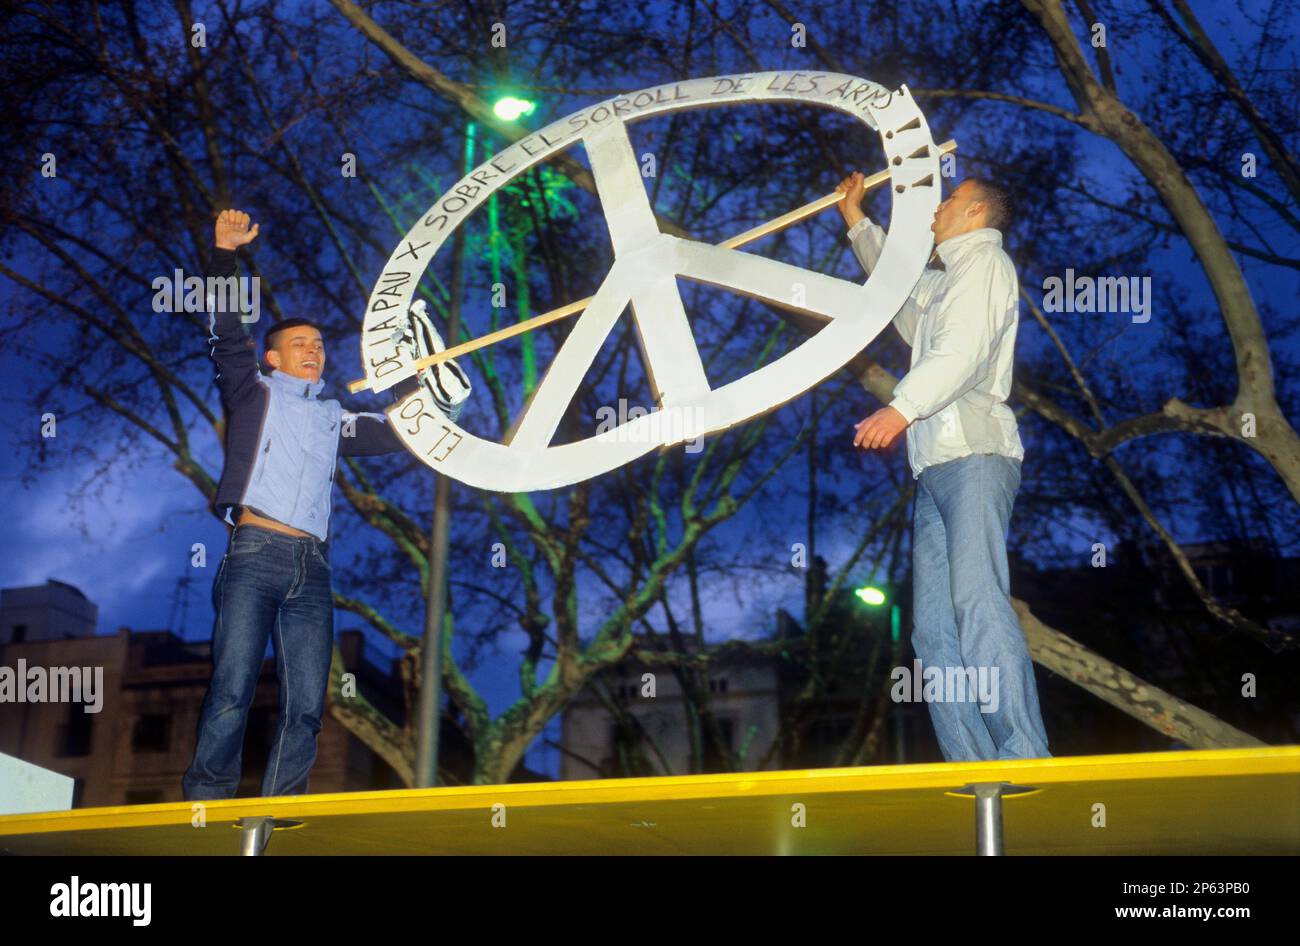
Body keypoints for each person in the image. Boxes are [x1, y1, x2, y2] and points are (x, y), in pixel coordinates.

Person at [182, 208, 469, 799]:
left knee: (309, 701)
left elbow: (400, 434)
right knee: (233, 687)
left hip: (312, 569)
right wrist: (222, 252)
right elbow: (222, 326)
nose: (313, 351)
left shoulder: (336, 415)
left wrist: (429, 383)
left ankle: (279, 804)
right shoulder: (251, 389)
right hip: (253, 555)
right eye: (299, 345)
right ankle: (206, 799)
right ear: (273, 357)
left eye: (318, 345)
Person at [838, 174, 1050, 761]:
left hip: (976, 456)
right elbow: (897, 289)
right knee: (931, 633)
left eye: (949, 200)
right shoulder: (946, 281)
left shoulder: (984, 267)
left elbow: (962, 352)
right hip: (933, 468)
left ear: (977, 212)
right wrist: (858, 221)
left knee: (978, 600)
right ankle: (975, 764)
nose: (937, 208)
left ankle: (1025, 754)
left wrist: (900, 408)